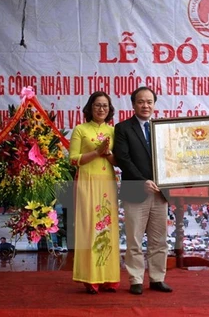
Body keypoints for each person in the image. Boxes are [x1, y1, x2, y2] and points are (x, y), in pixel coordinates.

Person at [113, 86, 172, 295]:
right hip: (135, 190)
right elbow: (123, 158)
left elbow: (172, 158)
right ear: (133, 104)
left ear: (154, 104)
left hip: (160, 191)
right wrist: (142, 181)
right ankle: (136, 279)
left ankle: (157, 278)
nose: (145, 105)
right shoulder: (122, 128)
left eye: (149, 102)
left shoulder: (162, 128)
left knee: (159, 239)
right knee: (134, 239)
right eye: (141, 101)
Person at [69, 91, 120, 294]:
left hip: (107, 182)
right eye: (98, 105)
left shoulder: (113, 131)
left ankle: (109, 278)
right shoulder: (80, 129)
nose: (101, 109)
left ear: (110, 110)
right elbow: (73, 159)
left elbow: (118, 162)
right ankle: (90, 279)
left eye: (105, 106)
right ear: (90, 108)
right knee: (89, 228)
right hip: (87, 182)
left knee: (107, 230)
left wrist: (107, 153)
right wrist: (96, 152)